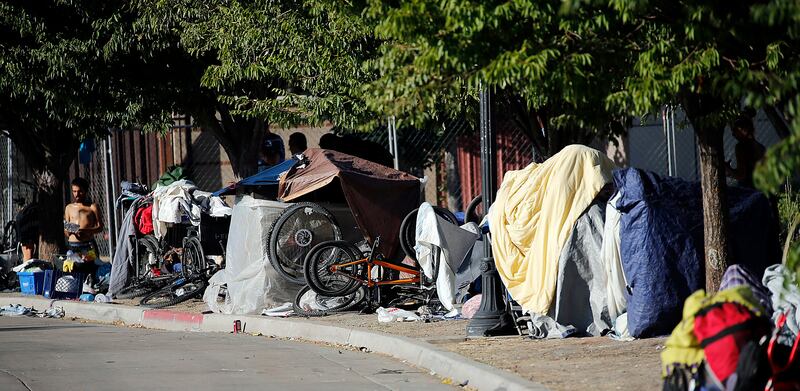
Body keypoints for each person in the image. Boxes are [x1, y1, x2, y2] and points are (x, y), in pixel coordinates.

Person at [63, 177, 103, 265]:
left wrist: (85, 231)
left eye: (80, 191)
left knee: (91, 268)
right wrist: (72, 231)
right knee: (73, 269)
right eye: (74, 191)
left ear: (85, 191)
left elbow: (100, 227)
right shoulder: (69, 208)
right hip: (72, 245)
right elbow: (66, 229)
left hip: (88, 245)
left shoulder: (92, 207)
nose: (77, 194)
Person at [726, 116, 766, 188]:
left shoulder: (741, 147)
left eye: (734, 130)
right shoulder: (761, 147)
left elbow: (741, 175)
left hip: (749, 191)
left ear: (744, 129)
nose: (733, 135)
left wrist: (727, 168)